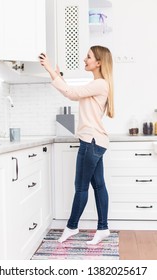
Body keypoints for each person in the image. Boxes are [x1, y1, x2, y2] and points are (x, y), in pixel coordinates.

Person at [39, 45, 114, 245]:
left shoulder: (99, 84)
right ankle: (103, 228)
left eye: (88, 57)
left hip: (91, 142)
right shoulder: (98, 84)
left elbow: (71, 93)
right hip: (95, 141)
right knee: (98, 185)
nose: (84, 59)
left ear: (98, 62)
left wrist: (49, 70)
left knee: (81, 188)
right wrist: (56, 74)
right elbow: (71, 91)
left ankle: (72, 227)